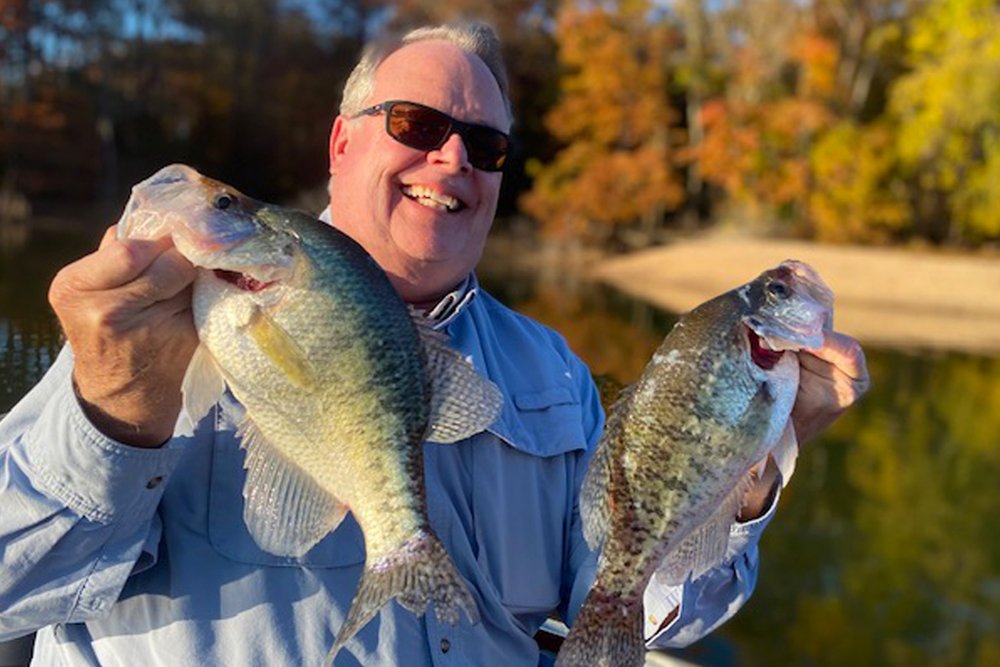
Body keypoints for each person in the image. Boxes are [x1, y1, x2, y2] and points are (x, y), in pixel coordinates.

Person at [0, 22, 869, 667]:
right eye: (416, 124)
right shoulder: (156, 322)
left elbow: (645, 613)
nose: (452, 160)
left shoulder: (555, 374)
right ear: (342, 144)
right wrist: (109, 413)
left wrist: (749, 465)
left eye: (485, 146)